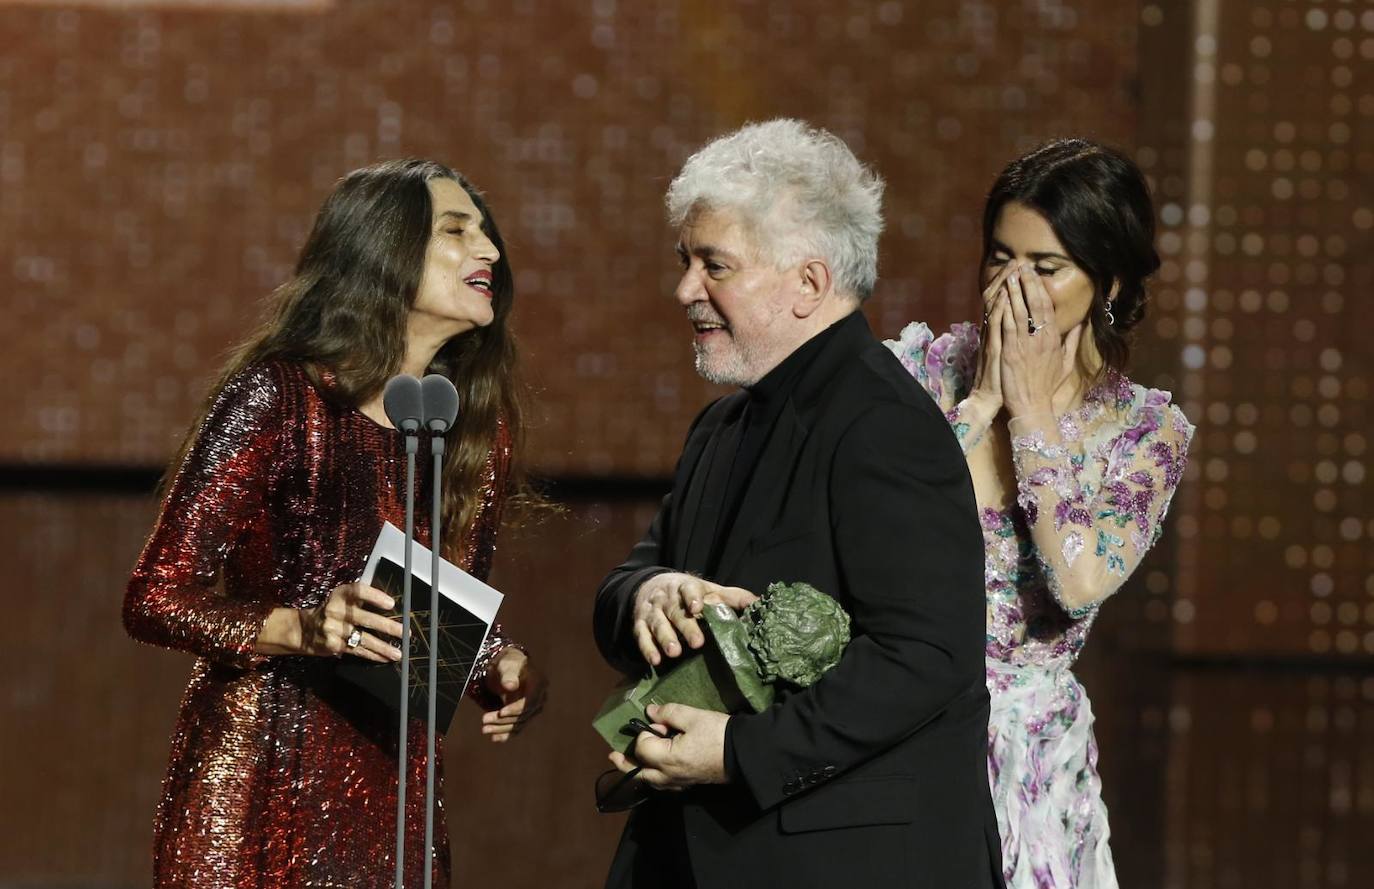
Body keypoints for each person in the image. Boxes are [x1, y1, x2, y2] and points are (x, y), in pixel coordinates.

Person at [593, 119, 1004, 889]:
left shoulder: (885, 425)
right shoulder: (723, 424)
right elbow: (630, 577)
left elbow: (927, 657)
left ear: (809, 283)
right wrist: (650, 593)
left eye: (714, 265)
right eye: (685, 262)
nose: (686, 289)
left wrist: (737, 753)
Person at [124, 159, 547, 888]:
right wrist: (304, 627)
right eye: (457, 229)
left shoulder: (474, 425)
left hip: (392, 791)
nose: (491, 251)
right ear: (384, 248)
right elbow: (154, 596)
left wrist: (502, 667)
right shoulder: (278, 395)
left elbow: (438, 613)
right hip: (258, 780)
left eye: (487, 233)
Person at [885, 138, 1195, 888]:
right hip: (900, 728)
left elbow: (1077, 579)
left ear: (1109, 282)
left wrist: (1027, 414)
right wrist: (983, 403)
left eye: (1045, 267)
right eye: (999, 257)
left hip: (1031, 765)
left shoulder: (1145, 433)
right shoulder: (921, 371)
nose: (1011, 286)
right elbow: (885, 528)